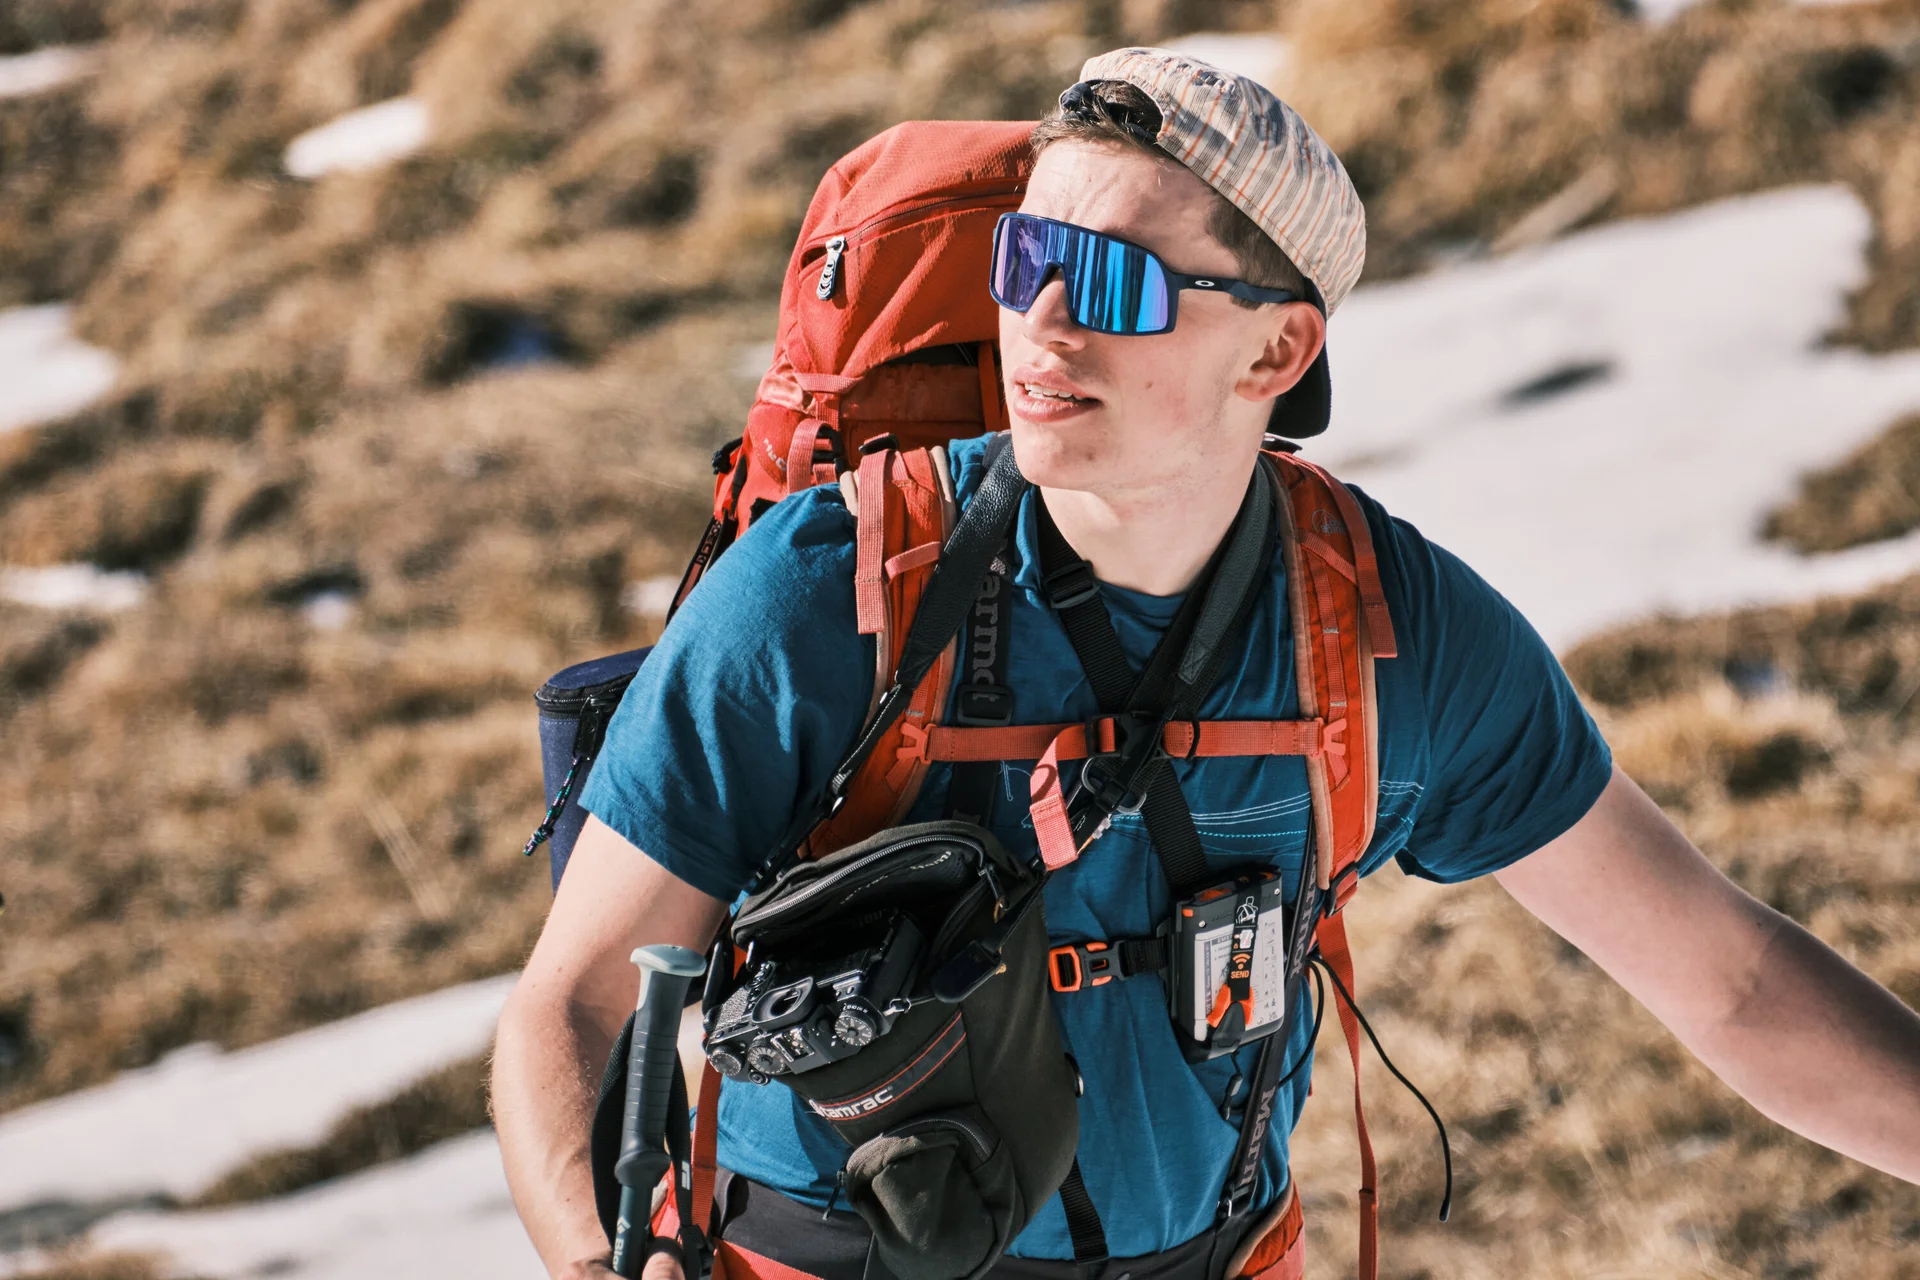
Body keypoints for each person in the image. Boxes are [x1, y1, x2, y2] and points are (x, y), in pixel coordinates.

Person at [491, 47, 1920, 1280]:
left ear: (1278, 347)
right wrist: (588, 1248)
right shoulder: (825, 594)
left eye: (1109, 279)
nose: (1041, 325)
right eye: (1026, 260)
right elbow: (574, 998)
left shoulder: (1388, 634)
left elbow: (1728, 982)